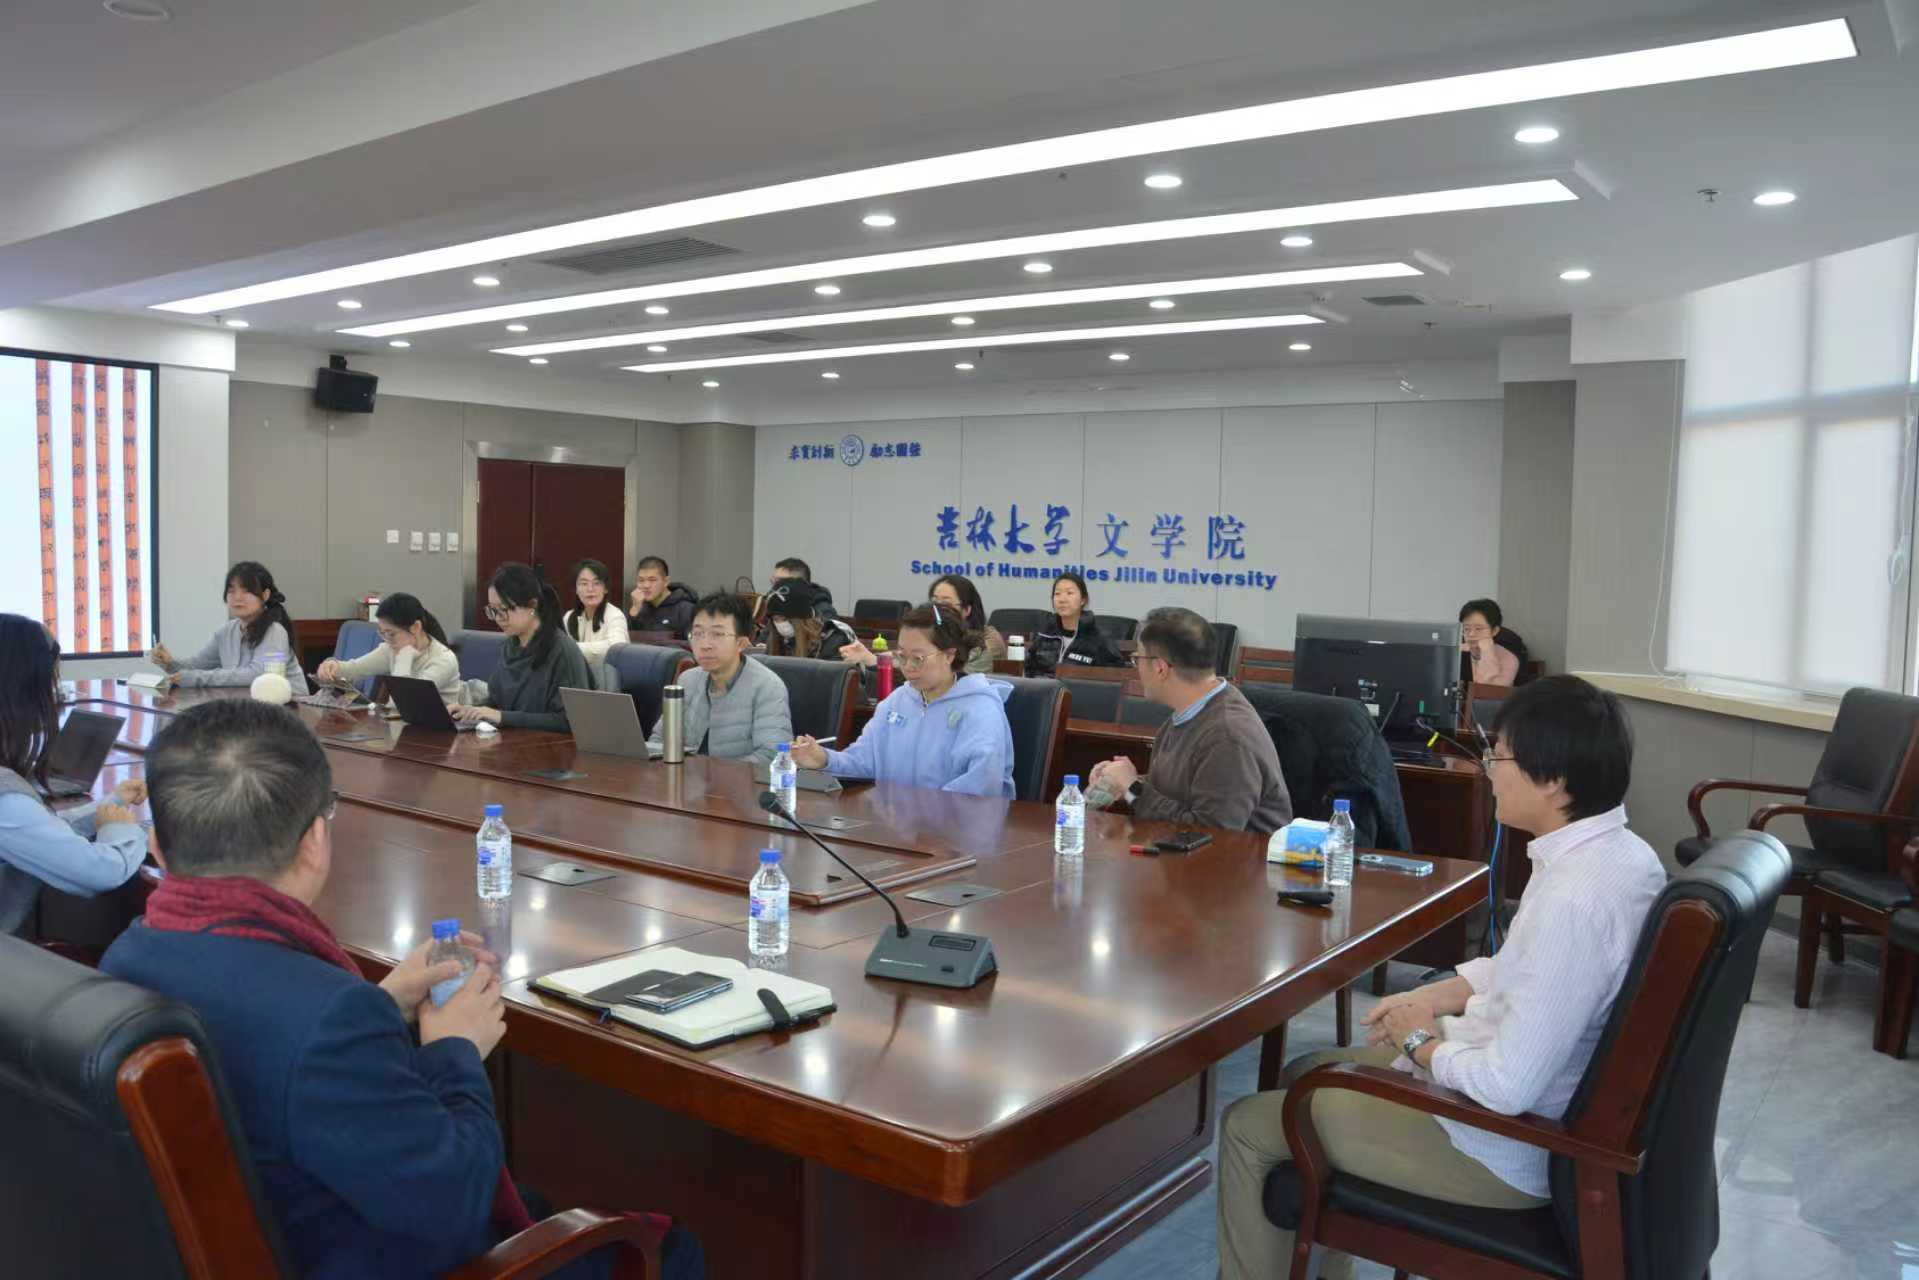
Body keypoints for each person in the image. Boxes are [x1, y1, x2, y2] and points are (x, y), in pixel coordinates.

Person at [101, 700, 701, 1280]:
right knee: (671, 1248)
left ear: (158, 848)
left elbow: (273, 1052)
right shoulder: (325, 1016)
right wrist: (454, 1050)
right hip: (368, 1252)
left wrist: (384, 1002)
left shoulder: (127, 954)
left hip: (281, 1227)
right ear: (315, 841)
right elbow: (454, 1203)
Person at [1215, 675, 1663, 1280]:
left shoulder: (1573, 900)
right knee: (1307, 1071)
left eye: (1499, 755)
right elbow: (1527, 966)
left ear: (1554, 779)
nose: (1487, 770)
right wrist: (1433, 994)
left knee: (1248, 1127)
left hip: (1501, 1147)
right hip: (1535, 1104)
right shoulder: (1621, 856)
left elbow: (1506, 1088)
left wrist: (1419, 1042)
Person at [0, 614, 148, 936]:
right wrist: (123, 830)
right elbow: (101, 872)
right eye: (52, 681)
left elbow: (37, 827)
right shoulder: (6, 799)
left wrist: (110, 806)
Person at [1085, 607, 1291, 834]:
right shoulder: (1191, 711)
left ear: (1160, 668)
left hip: (1236, 856)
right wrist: (1121, 781)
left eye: (1137, 659)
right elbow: (1184, 793)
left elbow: (1209, 834)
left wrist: (1133, 788)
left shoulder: (1227, 736)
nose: (1137, 669)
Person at [789, 605, 1014, 798]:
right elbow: (864, 760)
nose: (907, 667)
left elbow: (980, 786)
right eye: (902, 656)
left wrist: (922, 816)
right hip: (899, 823)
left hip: (957, 828)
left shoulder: (980, 709)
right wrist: (824, 759)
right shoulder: (898, 701)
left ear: (949, 655)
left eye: (918, 658)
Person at [653, 593, 792, 766]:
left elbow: (772, 756)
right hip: (686, 778)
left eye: (717, 634)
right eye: (697, 633)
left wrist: (707, 772)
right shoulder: (687, 680)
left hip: (737, 782)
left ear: (741, 643)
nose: (705, 645)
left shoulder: (767, 686)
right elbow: (659, 741)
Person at [450, 563, 591, 731]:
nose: (498, 618)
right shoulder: (511, 645)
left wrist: (501, 716)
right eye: (493, 610)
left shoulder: (562, 651)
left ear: (532, 605)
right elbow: (497, 702)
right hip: (511, 739)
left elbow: (569, 721)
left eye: (504, 609)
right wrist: (471, 710)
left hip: (548, 744)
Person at [147, 560, 310, 695]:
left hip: (290, 708)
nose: (237, 597)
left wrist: (196, 678)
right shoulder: (226, 632)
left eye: (246, 591)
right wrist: (170, 663)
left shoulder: (275, 631)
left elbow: (259, 675)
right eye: (231, 591)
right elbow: (196, 665)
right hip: (248, 707)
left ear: (265, 595)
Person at [840, 574, 1008, 675]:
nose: (938, 609)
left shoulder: (985, 642)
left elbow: (950, 671)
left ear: (966, 609)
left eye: (946, 603)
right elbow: (907, 655)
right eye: (935, 602)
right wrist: (872, 658)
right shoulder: (931, 634)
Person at [316, 593, 464, 706]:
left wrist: (404, 659)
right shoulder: (391, 648)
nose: (387, 640)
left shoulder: (443, 660)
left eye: (391, 633)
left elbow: (404, 703)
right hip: (403, 727)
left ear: (416, 627)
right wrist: (332, 666)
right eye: (382, 633)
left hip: (437, 732)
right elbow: (355, 669)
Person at [1024, 572, 1125, 677]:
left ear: (1083, 600)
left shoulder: (1099, 639)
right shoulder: (1044, 634)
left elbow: (1117, 676)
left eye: (1069, 593)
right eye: (1057, 594)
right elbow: (1028, 671)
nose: (1062, 600)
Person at [760, 577, 860, 661]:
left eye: (784, 619)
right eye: (775, 619)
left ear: (801, 619)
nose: (780, 624)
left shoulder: (833, 639)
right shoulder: (778, 639)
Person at [564, 558, 630, 662]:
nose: (590, 589)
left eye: (597, 583)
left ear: (606, 589)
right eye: (584, 583)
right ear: (576, 589)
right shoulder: (569, 616)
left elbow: (616, 648)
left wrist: (573, 648)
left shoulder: (614, 615)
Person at [627, 556, 698, 640]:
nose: (646, 585)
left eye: (652, 580)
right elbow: (629, 640)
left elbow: (692, 643)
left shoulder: (686, 609)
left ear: (666, 581)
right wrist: (635, 610)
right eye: (641, 580)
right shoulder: (639, 606)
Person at [1459, 598, 1525, 687]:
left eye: (1478, 629)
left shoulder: (1509, 659)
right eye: (1466, 629)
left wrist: (1487, 652)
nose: (1471, 634)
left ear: (1494, 631)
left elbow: (1488, 690)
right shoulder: (1458, 653)